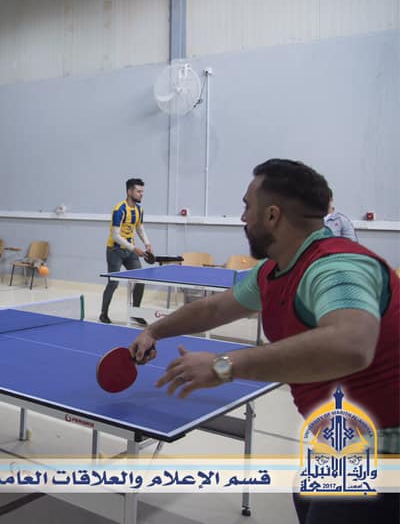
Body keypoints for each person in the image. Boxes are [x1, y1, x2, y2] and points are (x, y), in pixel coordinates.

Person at [128, 159, 398, 524]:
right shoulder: (276, 269)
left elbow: (350, 345)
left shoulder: (337, 266)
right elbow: (213, 308)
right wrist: (154, 331)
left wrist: (224, 366)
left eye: (247, 206)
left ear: (272, 215)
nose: (242, 217)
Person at [100, 178, 152, 325]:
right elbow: (116, 236)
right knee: (113, 283)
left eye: (142, 191)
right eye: (138, 191)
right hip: (115, 251)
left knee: (140, 280)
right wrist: (134, 248)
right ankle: (103, 313)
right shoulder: (119, 210)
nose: (141, 194)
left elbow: (139, 228)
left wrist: (147, 243)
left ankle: (135, 313)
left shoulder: (139, 210)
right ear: (129, 191)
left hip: (130, 252)